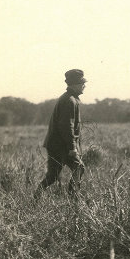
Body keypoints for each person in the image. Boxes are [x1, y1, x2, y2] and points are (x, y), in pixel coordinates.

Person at [34, 69, 87, 199]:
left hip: (58, 145)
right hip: (60, 146)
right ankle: (73, 199)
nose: (84, 86)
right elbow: (66, 126)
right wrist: (72, 148)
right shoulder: (69, 100)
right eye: (82, 83)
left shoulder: (70, 99)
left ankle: (37, 197)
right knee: (78, 168)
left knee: (54, 175)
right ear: (75, 85)